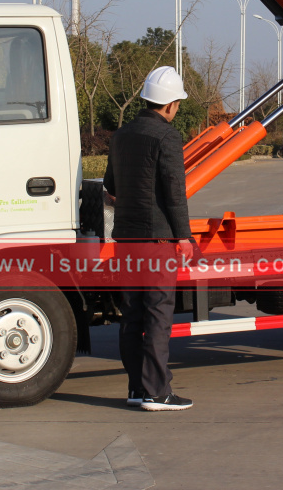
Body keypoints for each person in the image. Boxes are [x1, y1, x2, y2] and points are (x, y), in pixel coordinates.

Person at [103, 66, 196, 412]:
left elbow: (111, 188)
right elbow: (175, 192)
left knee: (132, 316)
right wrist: (183, 236)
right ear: (170, 104)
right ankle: (157, 392)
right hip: (157, 244)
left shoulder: (121, 136)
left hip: (125, 240)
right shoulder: (167, 137)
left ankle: (136, 388)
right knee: (158, 316)